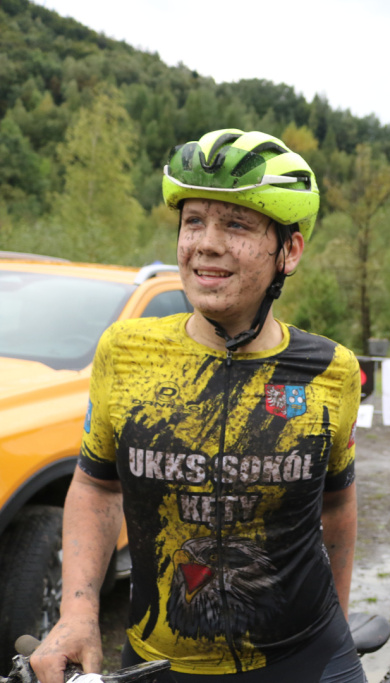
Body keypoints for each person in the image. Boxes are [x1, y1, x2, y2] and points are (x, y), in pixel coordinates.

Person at [30, 130, 366, 683]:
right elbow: (97, 487)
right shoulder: (125, 351)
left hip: (307, 656)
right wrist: (78, 613)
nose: (206, 244)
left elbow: (337, 506)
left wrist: (341, 626)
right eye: (194, 222)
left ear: (289, 251)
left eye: (236, 224)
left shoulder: (330, 370)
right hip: (159, 660)